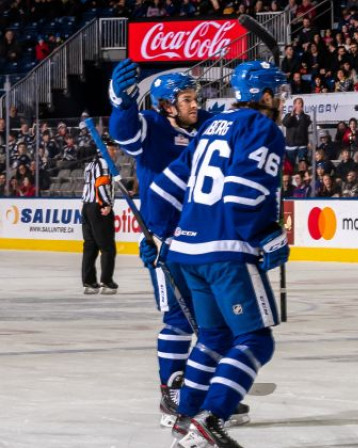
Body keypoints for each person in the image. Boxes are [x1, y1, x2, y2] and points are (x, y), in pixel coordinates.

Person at [146, 60, 289, 448]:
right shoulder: (263, 127)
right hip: (226, 251)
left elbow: (161, 192)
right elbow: (242, 196)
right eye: (280, 93)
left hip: (186, 252)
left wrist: (160, 235)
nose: (284, 101)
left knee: (212, 338)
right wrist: (268, 236)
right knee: (256, 341)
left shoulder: (210, 126)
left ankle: (186, 418)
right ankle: (212, 418)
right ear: (265, 96)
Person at [107, 60, 250, 429]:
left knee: (213, 321)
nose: (194, 104)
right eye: (186, 98)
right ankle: (171, 392)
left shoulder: (203, 127)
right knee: (178, 320)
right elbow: (124, 133)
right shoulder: (152, 127)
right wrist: (121, 103)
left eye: (194, 98)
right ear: (166, 105)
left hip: (202, 241)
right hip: (165, 242)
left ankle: (206, 394)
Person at [80, 146, 117, 294]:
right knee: (107, 247)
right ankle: (106, 282)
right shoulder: (104, 163)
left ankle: (89, 282)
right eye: (112, 149)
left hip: (87, 206)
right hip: (98, 207)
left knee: (90, 246)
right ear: (104, 150)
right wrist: (106, 203)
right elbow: (101, 184)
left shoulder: (90, 164)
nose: (115, 152)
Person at [282, 97, 311, 166]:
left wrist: (308, 142)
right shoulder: (288, 115)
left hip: (302, 145)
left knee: (303, 165)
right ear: (294, 105)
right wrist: (292, 115)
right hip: (291, 145)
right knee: (290, 166)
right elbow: (285, 123)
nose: (300, 105)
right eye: (298, 103)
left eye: (301, 103)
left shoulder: (306, 117)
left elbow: (306, 129)